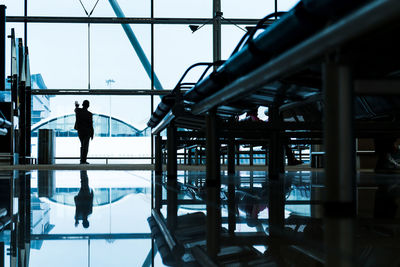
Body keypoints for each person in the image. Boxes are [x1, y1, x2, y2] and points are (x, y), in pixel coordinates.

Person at [74, 100, 94, 164]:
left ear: (82, 104)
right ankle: (83, 160)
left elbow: (76, 109)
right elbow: (91, 125)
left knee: (83, 145)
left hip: (80, 131)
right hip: (87, 132)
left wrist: (77, 105)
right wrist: (92, 133)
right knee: (85, 146)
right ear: (88, 106)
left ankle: (82, 160)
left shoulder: (78, 111)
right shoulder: (89, 114)